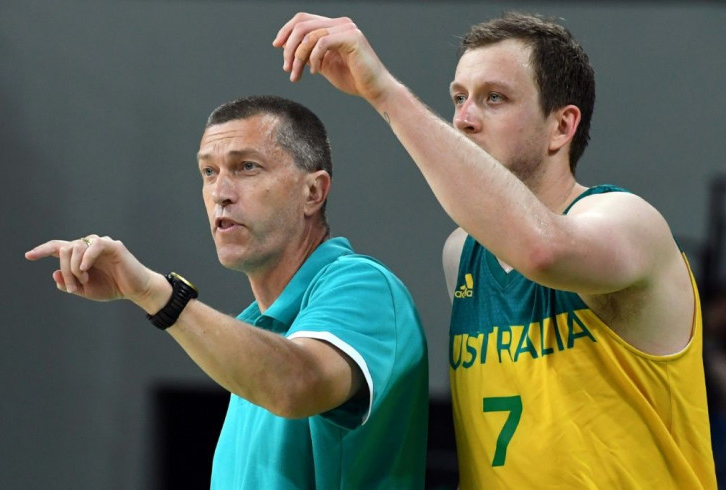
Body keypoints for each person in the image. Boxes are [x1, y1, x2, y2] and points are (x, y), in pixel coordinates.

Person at [273, 11, 718, 489]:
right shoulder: (462, 254)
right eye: (459, 98)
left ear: (562, 127)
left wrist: (384, 93)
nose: (463, 119)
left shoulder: (627, 220)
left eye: (494, 99)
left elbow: (543, 250)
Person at [25, 95, 429, 489]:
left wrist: (156, 293)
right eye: (208, 172)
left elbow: (296, 384)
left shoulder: (365, 287)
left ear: (313, 192)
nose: (221, 192)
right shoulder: (252, 330)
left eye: (246, 167)